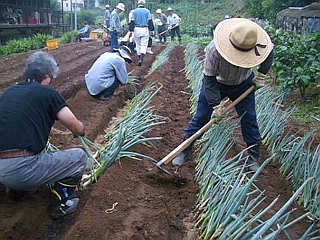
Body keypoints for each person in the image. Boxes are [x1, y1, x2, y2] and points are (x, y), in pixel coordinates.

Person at [172, 18, 274, 172]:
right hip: (217, 84)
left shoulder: (260, 44)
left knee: (249, 119)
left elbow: (269, 52)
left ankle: (253, 157)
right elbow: (209, 80)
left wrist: (261, 75)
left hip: (243, 84)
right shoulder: (214, 50)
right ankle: (185, 150)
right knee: (201, 117)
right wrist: (216, 105)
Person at [0, 51, 87, 219]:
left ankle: (16, 192)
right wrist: (81, 130)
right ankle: (60, 205)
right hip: (21, 171)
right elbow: (75, 127)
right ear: (46, 76)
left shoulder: (8, 94)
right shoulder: (48, 94)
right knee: (79, 157)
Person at [129, 0, 154, 66]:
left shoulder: (134, 12)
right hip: (145, 29)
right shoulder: (147, 11)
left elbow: (132, 22)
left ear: (138, 4)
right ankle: (141, 59)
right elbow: (150, 21)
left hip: (136, 29)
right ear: (144, 4)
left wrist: (131, 31)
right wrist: (152, 30)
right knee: (144, 45)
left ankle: (139, 57)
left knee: (138, 44)